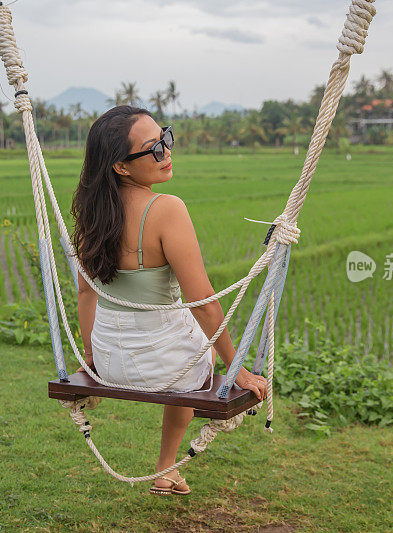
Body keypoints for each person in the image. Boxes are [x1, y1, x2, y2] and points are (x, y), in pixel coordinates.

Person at [70, 105, 268, 495]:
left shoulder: (91, 215)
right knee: (199, 351)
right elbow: (204, 301)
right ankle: (165, 467)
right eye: (154, 149)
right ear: (121, 167)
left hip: (109, 363)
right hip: (166, 369)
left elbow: (84, 293)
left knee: (186, 342)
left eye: (166, 139)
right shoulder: (166, 209)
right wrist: (237, 369)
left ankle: (167, 471)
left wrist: (91, 355)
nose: (167, 152)